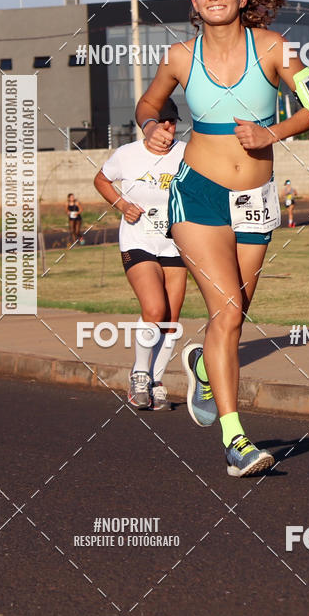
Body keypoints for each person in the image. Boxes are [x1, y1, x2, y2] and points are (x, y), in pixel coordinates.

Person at [135, 0, 309, 476]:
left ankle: (199, 363)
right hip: (197, 195)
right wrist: (153, 126)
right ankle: (236, 440)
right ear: (194, 4)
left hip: (256, 196)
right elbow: (149, 104)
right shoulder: (178, 56)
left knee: (234, 316)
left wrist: (271, 134)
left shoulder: (273, 47)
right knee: (229, 312)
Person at [93, 98, 187, 410]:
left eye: (172, 122)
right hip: (138, 241)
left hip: (175, 243)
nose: (168, 129)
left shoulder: (185, 154)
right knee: (155, 308)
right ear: (147, 126)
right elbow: (101, 180)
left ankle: (157, 381)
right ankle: (139, 375)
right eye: (162, 122)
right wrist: (121, 205)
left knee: (171, 321)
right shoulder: (127, 155)